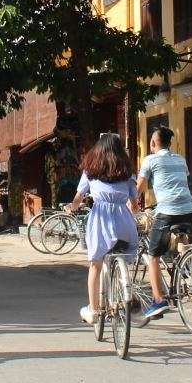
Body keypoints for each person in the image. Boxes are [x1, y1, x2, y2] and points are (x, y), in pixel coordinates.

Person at [65, 133, 140, 324]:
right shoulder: (127, 172)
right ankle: (126, 290)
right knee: (122, 258)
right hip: (124, 222)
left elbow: (78, 197)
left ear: (98, 151)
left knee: (95, 266)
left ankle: (94, 310)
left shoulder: (90, 170)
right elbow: (134, 203)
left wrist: (71, 208)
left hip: (100, 221)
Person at [135, 125, 192, 320]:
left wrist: (130, 206)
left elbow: (139, 188)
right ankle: (187, 276)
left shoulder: (150, 160)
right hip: (190, 209)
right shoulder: (180, 159)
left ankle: (158, 299)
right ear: (170, 143)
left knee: (153, 255)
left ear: (153, 143)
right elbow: (180, 182)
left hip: (167, 211)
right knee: (180, 235)